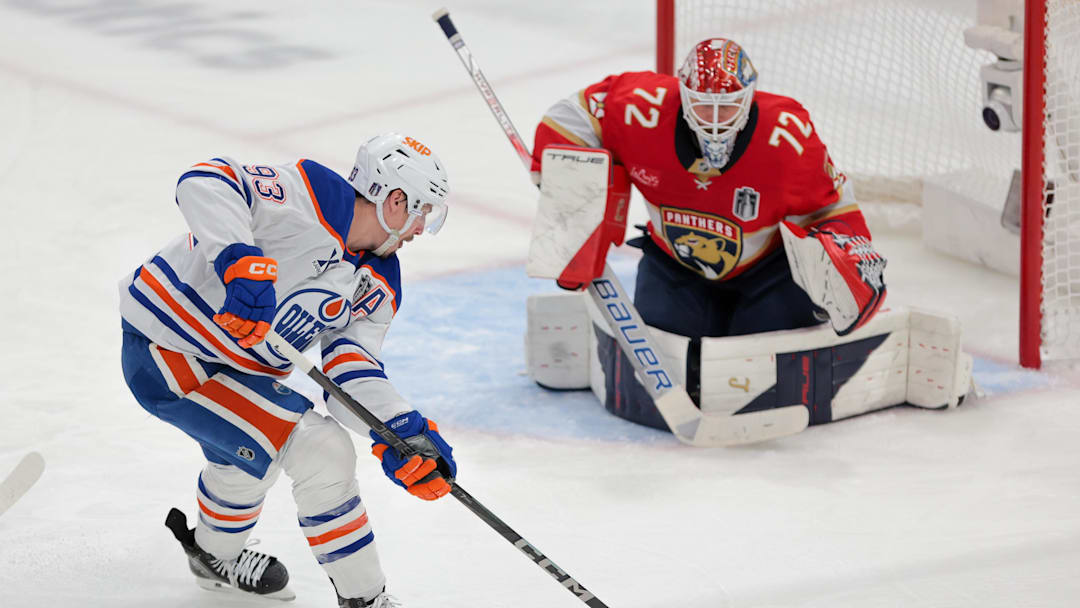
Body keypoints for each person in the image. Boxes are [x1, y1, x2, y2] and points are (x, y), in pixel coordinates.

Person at [118, 133, 455, 608]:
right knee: (321, 451)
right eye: (424, 212)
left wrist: (400, 428)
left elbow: (350, 369)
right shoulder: (310, 196)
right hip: (168, 348)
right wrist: (239, 260)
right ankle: (365, 599)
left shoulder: (379, 279)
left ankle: (214, 556)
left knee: (247, 454)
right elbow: (206, 180)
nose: (422, 228)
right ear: (396, 201)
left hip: (239, 371)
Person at [528, 38, 888, 429]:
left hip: (767, 271)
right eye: (702, 105)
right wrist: (566, 185)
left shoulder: (786, 134)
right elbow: (568, 117)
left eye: (728, 106)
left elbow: (834, 204)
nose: (715, 120)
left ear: (749, 97)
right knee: (666, 342)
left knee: (760, 358)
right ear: (682, 94)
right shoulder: (641, 107)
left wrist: (844, 247)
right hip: (674, 264)